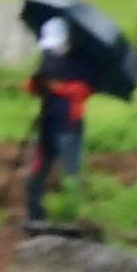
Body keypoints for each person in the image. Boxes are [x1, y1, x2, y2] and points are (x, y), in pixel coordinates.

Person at [24, 13, 91, 225]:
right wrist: (36, 84)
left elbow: (84, 90)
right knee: (38, 171)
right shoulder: (47, 58)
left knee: (70, 173)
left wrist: (57, 87)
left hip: (69, 124)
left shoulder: (81, 61)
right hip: (47, 121)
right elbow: (33, 87)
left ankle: (71, 216)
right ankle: (35, 214)